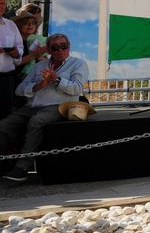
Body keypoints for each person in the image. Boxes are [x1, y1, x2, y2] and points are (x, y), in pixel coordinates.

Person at [0, 33, 89, 182]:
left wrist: (56, 80)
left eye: (63, 46)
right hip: (33, 105)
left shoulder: (78, 64)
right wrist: (38, 86)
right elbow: (19, 90)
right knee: (4, 125)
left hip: (59, 106)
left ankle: (22, 167)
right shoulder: (39, 66)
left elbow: (76, 89)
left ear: (69, 47)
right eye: (54, 47)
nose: (59, 50)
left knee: (37, 121)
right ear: (48, 49)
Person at [0, 0, 22, 118]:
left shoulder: (11, 25)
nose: (1, 6)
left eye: (2, 3)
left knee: (5, 117)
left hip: (6, 79)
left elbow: (20, 48)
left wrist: (16, 53)